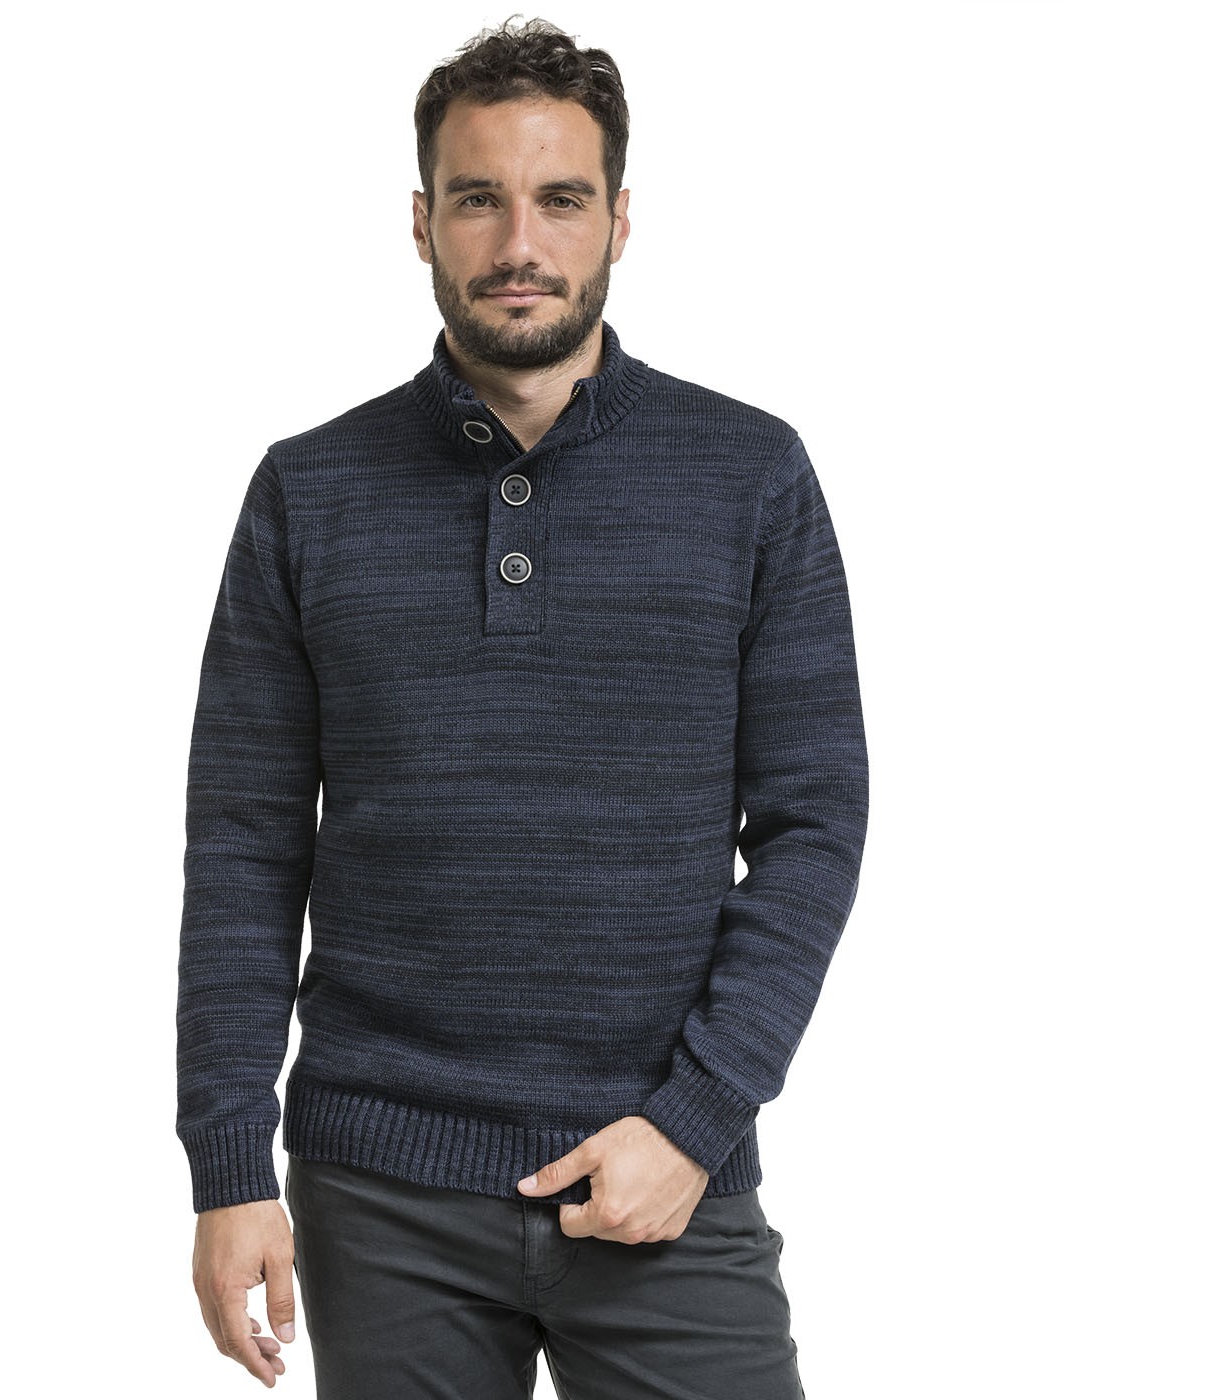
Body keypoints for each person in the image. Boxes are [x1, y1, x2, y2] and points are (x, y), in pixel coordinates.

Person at [176, 16, 868, 1397]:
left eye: (560, 199)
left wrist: (697, 1117)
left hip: (667, 1173)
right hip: (381, 1192)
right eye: (478, 199)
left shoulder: (750, 475)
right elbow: (246, 844)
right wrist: (229, 1164)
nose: (518, 244)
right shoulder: (310, 490)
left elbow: (814, 824)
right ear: (421, 220)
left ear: (620, 218)